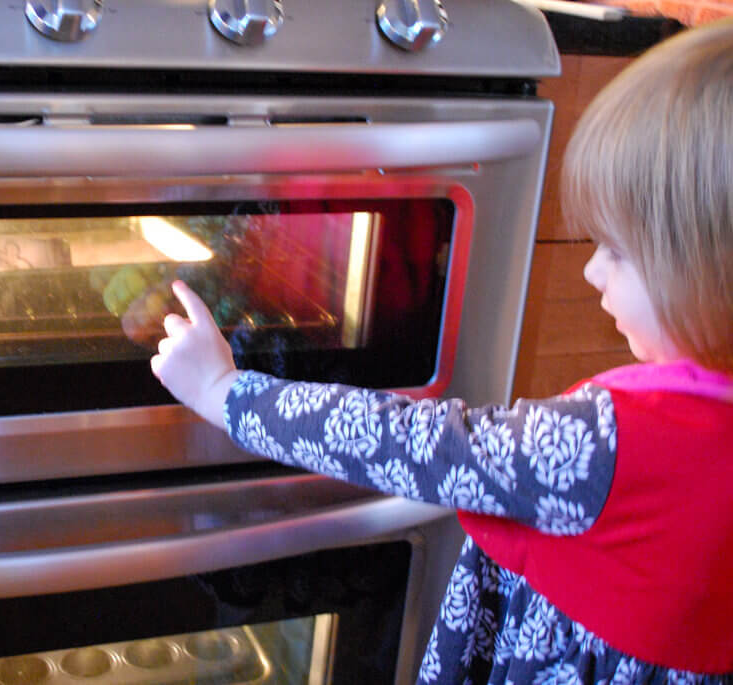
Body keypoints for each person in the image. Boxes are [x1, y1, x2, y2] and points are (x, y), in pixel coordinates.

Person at [148, 18, 733, 685]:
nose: (591, 271)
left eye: (617, 250)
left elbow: (411, 440)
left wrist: (224, 391)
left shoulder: (603, 446)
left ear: (709, 268)